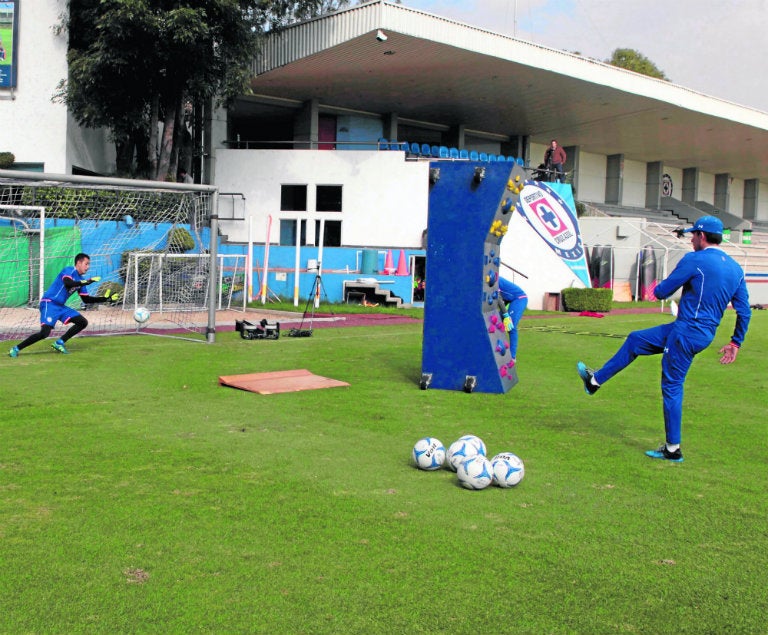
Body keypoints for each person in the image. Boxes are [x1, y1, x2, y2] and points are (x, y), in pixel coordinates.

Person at [576, 216, 751, 463]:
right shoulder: (735, 269)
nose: (691, 239)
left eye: (693, 235)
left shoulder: (695, 260)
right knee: (636, 340)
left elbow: (660, 292)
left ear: (701, 236)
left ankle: (672, 449)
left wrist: (671, 281)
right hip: (699, 333)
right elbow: (745, 311)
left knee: (672, 386)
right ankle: (595, 381)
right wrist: (735, 343)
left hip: (686, 332)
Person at [8, 253, 120, 357]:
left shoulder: (81, 280)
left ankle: (59, 342)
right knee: (44, 333)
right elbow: (68, 283)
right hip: (49, 303)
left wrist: (106, 299)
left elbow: (86, 299)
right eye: (86, 264)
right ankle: (16, 348)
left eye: (89, 264)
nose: (88, 267)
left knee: (82, 322)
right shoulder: (69, 270)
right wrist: (86, 282)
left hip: (60, 307)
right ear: (79, 263)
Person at [498, 277, 528, 365]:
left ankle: (512, 357)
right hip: (509, 300)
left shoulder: (494, 279)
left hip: (519, 298)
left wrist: (506, 315)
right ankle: (499, 348)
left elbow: (499, 298)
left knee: (511, 326)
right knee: (498, 323)